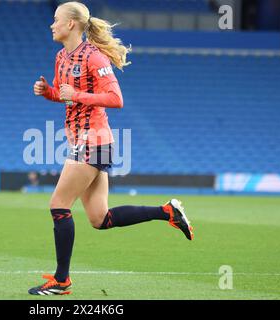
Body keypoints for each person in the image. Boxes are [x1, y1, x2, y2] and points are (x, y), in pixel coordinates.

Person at [29, 1, 194, 296]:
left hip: (94, 141)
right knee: (99, 219)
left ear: (71, 24)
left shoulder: (93, 57)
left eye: (56, 19)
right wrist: (49, 92)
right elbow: (65, 95)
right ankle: (167, 212)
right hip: (82, 140)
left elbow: (116, 98)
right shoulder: (60, 57)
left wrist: (76, 93)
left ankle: (61, 280)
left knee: (58, 204)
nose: (51, 24)